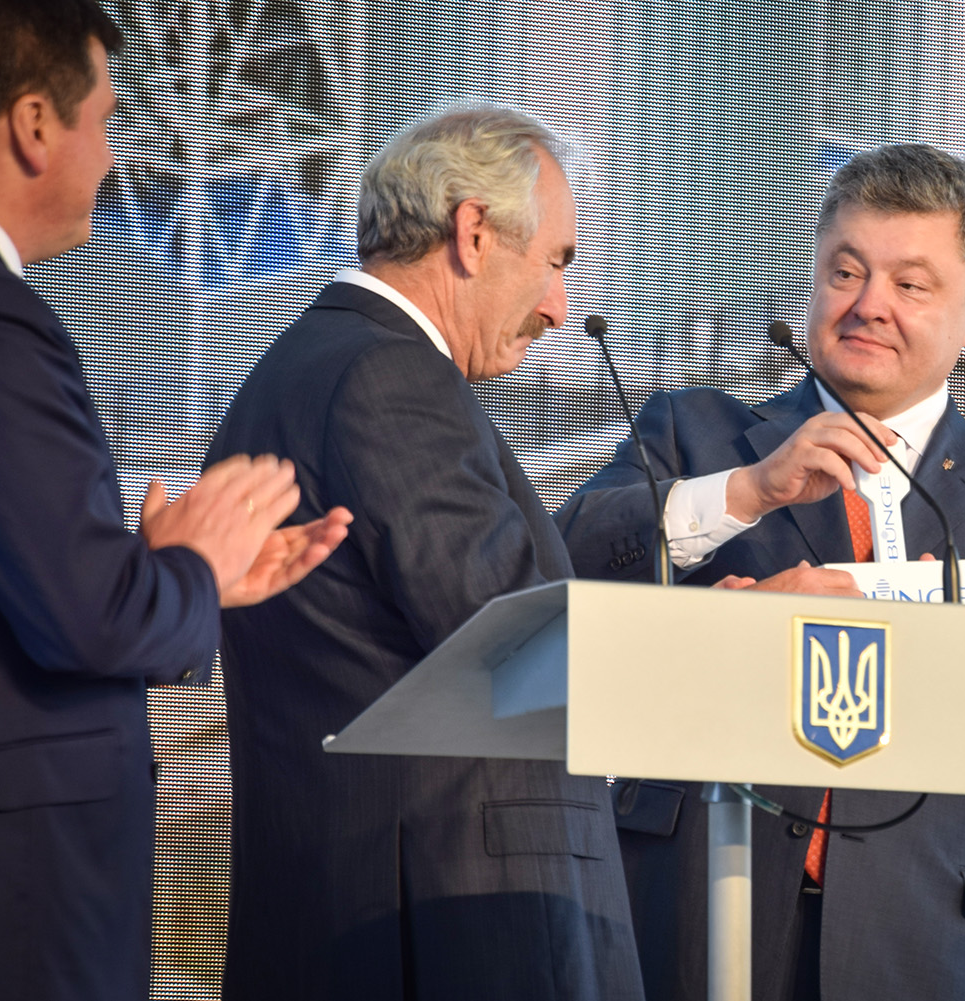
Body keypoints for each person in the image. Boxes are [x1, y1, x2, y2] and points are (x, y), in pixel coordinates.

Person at [556, 143, 965, 1001]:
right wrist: (749, 491)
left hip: (931, 948)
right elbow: (556, 576)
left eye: (910, 284)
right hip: (691, 923)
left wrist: (908, 644)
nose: (869, 305)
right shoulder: (696, 436)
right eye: (845, 272)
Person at [0, 2, 351, 999]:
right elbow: (90, 617)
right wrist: (188, 566)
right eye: (108, 120)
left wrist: (175, 576)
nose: (115, 157)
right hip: (3, 902)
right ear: (34, 123)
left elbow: (6, 581)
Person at [206, 106, 670, 1001]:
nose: (559, 307)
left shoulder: (310, 365)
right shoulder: (388, 377)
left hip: (364, 917)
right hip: (450, 929)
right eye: (557, 260)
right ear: (473, 231)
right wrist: (730, 633)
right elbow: (516, 642)